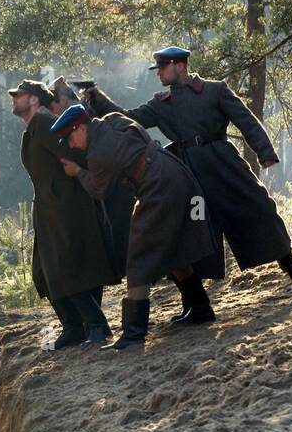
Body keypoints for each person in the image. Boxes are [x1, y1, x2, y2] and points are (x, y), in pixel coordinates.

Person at [113, 46, 292, 315]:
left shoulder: (215, 90)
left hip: (222, 162)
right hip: (188, 172)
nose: (158, 72)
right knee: (190, 231)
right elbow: (128, 117)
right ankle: (194, 304)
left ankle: (289, 263)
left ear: (179, 66)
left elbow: (245, 120)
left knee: (259, 208)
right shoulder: (161, 103)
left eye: (162, 67)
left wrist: (264, 151)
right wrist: (96, 100)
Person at [52, 103, 217, 350]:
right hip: (175, 173)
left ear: (81, 128)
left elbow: (99, 190)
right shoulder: (113, 120)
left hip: (157, 188)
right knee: (177, 250)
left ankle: (134, 333)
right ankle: (201, 309)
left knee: (138, 257)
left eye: (70, 138)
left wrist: (78, 172)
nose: (72, 145)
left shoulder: (98, 154)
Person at [12, 78, 115, 347]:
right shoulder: (34, 127)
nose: (14, 99)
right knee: (46, 271)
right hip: (51, 209)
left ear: (34, 99)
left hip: (67, 207)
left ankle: (96, 325)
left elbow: (77, 152)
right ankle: (73, 326)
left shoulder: (45, 124)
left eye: (19, 95)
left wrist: (72, 177)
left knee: (68, 267)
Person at [48, 76, 134, 285]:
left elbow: (97, 183)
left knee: (126, 235)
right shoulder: (82, 118)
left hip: (117, 186)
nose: (52, 111)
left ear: (65, 101)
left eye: (54, 104)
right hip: (114, 182)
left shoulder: (83, 119)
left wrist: (78, 172)